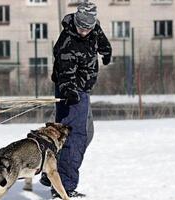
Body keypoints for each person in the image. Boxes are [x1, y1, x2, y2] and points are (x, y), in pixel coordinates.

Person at [40, 1, 112, 198]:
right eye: (80, 27)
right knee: (75, 137)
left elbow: (99, 35)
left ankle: (51, 171)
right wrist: (69, 90)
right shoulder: (67, 44)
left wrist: (106, 50)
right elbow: (64, 74)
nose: (83, 31)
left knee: (86, 134)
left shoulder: (92, 27)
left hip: (84, 90)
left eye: (87, 28)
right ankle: (63, 187)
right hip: (71, 92)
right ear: (75, 21)